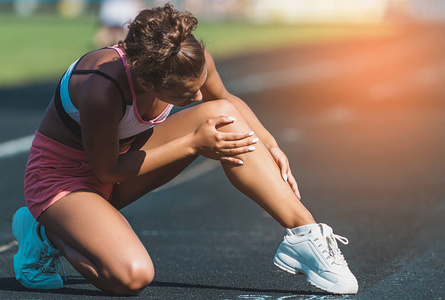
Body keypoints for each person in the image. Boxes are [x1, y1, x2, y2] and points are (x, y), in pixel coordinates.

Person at [12, 3, 358, 296]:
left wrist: (269, 143)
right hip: (64, 181)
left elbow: (223, 101)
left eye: (196, 88)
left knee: (224, 118)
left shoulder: (187, 56)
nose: (194, 99)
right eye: (183, 96)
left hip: (122, 164)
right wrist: (193, 142)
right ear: (147, 82)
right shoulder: (100, 88)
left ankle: (304, 234)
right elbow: (107, 172)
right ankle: (46, 231)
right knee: (130, 277)